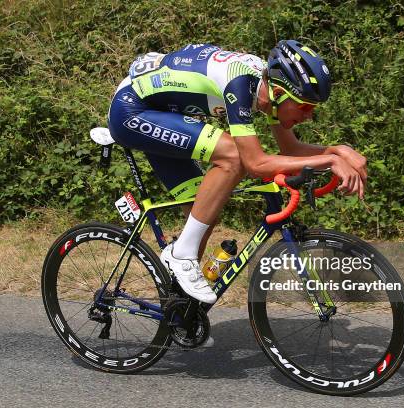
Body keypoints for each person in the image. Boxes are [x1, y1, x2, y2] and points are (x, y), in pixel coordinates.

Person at [108, 40, 367, 305]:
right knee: (233, 157)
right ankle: (179, 255)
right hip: (132, 110)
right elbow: (254, 163)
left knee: (203, 211)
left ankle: (179, 313)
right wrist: (330, 162)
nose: (309, 116)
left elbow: (291, 148)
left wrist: (337, 151)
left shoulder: (269, 91)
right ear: (279, 91)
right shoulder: (240, 83)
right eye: (304, 107)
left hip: (161, 112)